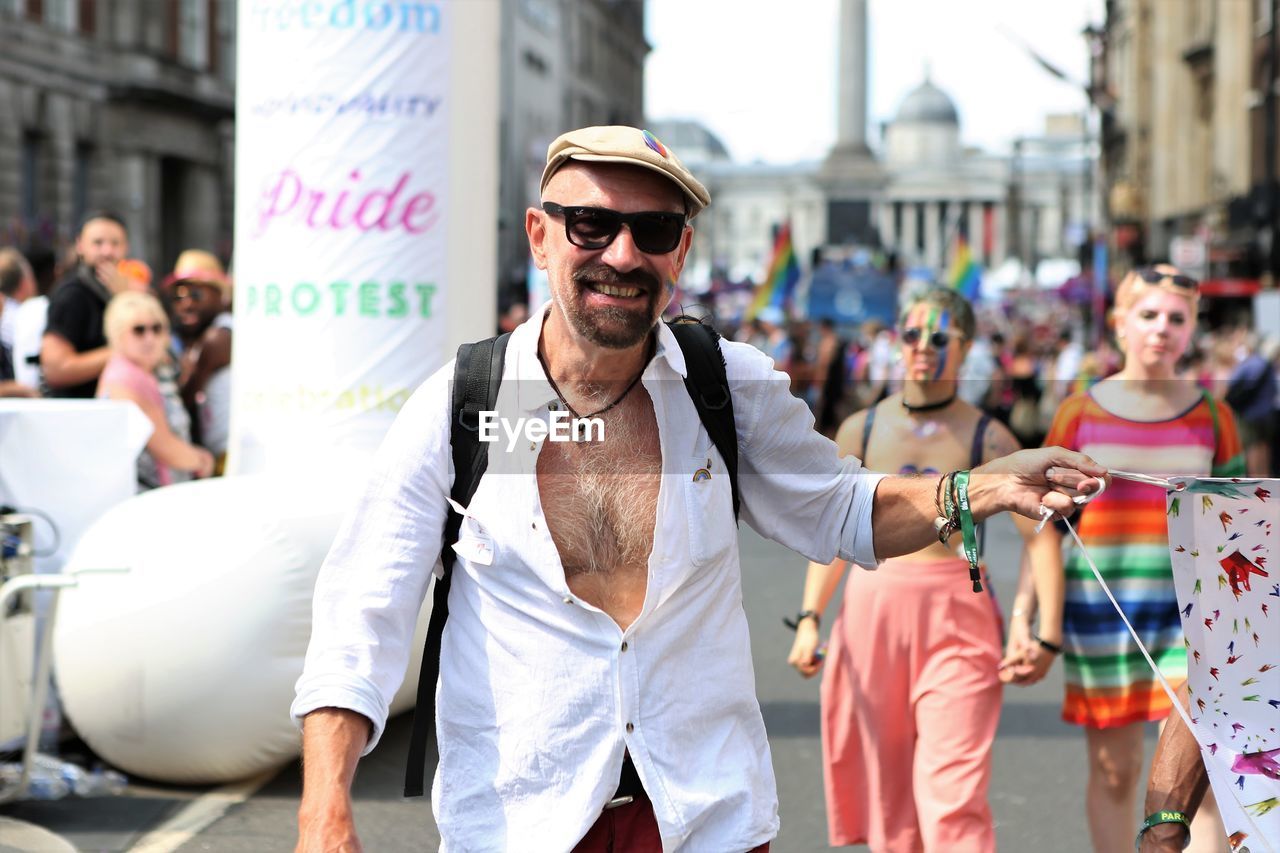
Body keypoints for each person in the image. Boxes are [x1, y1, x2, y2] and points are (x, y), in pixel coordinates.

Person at [291, 125, 1107, 852]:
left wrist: (981, 488)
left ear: (679, 254)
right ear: (541, 236)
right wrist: (323, 809)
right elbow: (366, 603)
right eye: (592, 224)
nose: (621, 254)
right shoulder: (468, 403)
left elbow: (843, 506)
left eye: (653, 231)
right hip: (521, 820)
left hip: (699, 816)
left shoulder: (726, 388)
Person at [786, 287, 1064, 851]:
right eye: (912, 335)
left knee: (953, 795)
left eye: (940, 338)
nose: (923, 348)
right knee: (889, 799)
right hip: (872, 617)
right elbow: (834, 531)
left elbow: (1040, 536)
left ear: (964, 349)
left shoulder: (991, 437)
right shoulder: (860, 429)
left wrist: (1038, 629)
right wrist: (812, 617)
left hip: (957, 615)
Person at [1016, 264, 1245, 852]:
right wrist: (1025, 615)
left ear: (1192, 329)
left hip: (1197, 621)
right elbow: (1046, 524)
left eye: (1177, 318)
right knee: (1116, 771)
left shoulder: (1215, 418)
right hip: (1103, 611)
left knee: (1203, 777)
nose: (1161, 329)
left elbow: (1241, 529)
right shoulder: (1078, 413)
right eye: (1148, 315)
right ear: (1119, 324)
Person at [97, 291, 214, 489]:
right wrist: (202, 460)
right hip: (139, 500)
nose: (149, 338)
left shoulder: (152, 372)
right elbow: (165, 448)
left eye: (157, 328)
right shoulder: (124, 379)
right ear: (118, 334)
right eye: (139, 330)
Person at [41, 211, 136, 398]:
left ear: (127, 248)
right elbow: (55, 368)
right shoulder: (73, 295)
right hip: (79, 415)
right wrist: (125, 352)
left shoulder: (123, 291)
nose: (107, 251)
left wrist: (125, 298)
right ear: (80, 246)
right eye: (98, 243)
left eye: (115, 243)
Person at [163, 249, 233, 467]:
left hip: (227, 458)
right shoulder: (196, 336)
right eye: (178, 296)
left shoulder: (217, 338)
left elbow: (186, 397)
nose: (186, 304)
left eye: (196, 295)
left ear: (220, 295)